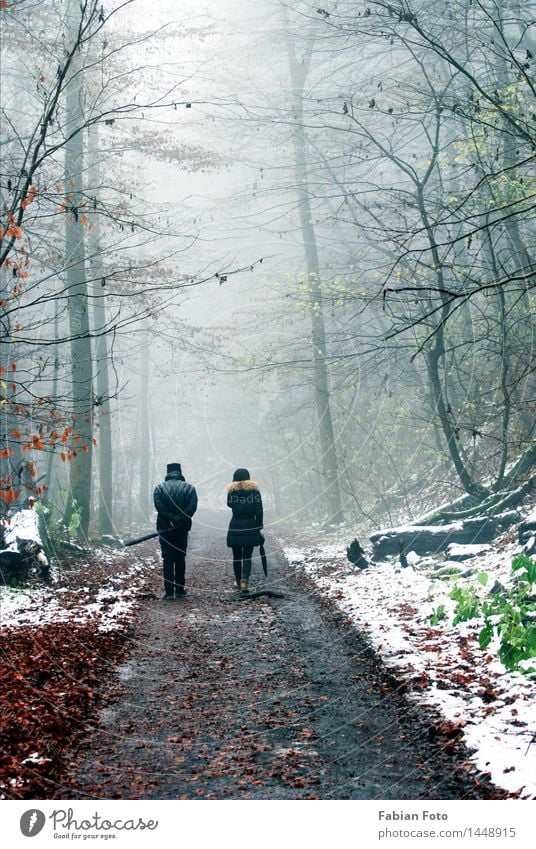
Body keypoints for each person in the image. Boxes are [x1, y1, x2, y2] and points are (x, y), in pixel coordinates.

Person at [153, 462, 198, 599]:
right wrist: (180, 519)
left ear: (167, 473)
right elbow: (192, 507)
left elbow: (159, 507)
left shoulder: (159, 488)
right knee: (180, 557)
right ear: (180, 472)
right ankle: (179, 589)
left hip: (164, 528)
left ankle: (169, 592)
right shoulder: (190, 488)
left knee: (167, 558)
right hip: (182, 528)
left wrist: (171, 518)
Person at [226, 467, 263, 592]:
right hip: (251, 525)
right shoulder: (255, 492)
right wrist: (259, 527)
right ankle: (244, 582)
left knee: (236, 556)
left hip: (235, 525)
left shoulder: (232, 492)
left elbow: (229, 504)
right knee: (247, 555)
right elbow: (259, 510)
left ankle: (237, 581)